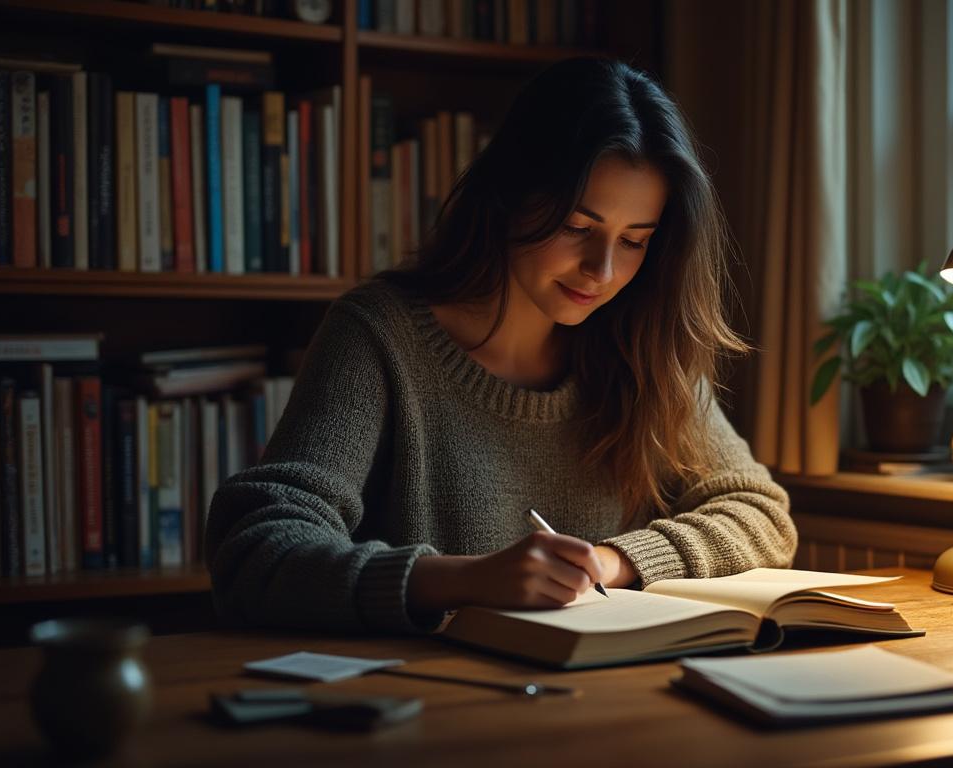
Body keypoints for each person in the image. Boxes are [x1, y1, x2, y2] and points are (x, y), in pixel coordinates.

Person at [204, 58, 797, 633]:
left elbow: (760, 514)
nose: (602, 270)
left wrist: (610, 563)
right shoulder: (379, 336)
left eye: (634, 241)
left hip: (608, 698)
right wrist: (462, 580)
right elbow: (255, 548)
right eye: (577, 228)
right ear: (510, 193)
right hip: (427, 710)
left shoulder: (640, 344)